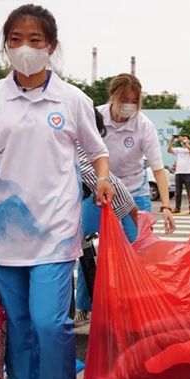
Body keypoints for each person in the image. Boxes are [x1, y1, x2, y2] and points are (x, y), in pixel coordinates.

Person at [0, 3, 114, 379]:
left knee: (50, 324)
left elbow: (98, 151)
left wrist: (105, 179)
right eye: (15, 40)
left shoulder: (71, 99)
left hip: (56, 235)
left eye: (34, 40)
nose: (24, 48)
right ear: (5, 46)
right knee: (19, 329)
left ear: (51, 46)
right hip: (1, 238)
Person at [74, 107, 139, 327]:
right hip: (78, 209)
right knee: (90, 257)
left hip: (77, 209)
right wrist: (135, 214)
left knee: (88, 256)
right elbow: (109, 183)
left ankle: (90, 308)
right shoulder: (81, 149)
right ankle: (93, 308)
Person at [99, 73, 175, 233]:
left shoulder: (144, 126)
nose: (129, 106)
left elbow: (158, 170)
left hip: (134, 192)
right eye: (125, 100)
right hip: (100, 191)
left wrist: (166, 206)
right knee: (94, 245)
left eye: (134, 101)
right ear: (112, 95)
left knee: (139, 244)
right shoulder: (95, 118)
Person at [167, 133, 190, 214]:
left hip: (187, 173)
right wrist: (172, 140)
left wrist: (184, 141)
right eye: (183, 139)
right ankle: (177, 208)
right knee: (178, 192)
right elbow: (169, 150)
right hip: (178, 173)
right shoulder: (178, 149)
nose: (184, 140)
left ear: (189, 141)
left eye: (186, 139)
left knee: (189, 192)